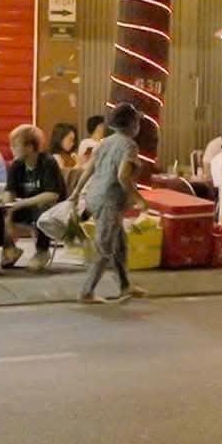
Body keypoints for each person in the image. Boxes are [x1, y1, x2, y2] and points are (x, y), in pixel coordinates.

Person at [77, 104, 144, 303]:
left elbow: (89, 169)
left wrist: (75, 193)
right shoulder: (129, 145)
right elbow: (123, 176)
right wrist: (139, 198)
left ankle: (125, 285)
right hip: (109, 201)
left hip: (95, 197)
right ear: (132, 124)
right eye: (137, 121)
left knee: (119, 243)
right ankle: (87, 292)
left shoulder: (104, 142)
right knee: (104, 248)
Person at [0, 124, 68, 271]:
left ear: (30, 147)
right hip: (28, 207)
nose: (12, 149)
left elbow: (52, 195)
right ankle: (10, 248)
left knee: (42, 208)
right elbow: (9, 191)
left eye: (15, 145)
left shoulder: (47, 162)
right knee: (0, 210)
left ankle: (42, 251)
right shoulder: (16, 165)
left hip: (54, 209)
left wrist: (21, 203)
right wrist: (8, 212)